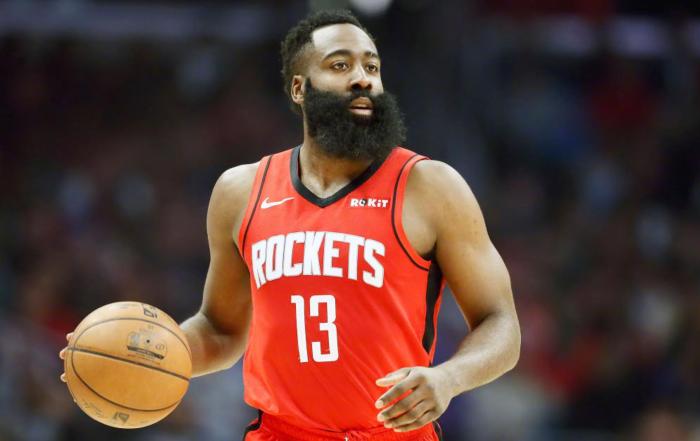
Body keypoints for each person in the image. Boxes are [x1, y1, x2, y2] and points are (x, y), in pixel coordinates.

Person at [61, 9, 520, 441]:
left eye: (372, 67)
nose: (363, 78)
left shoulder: (429, 186)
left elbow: (501, 324)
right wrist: (151, 352)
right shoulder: (240, 191)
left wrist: (449, 377)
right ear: (299, 88)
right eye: (340, 65)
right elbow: (221, 329)